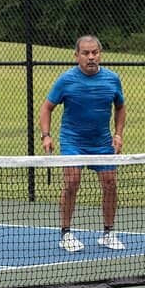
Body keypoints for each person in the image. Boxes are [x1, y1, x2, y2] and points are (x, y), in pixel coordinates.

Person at [40, 35, 127, 252]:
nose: (90, 57)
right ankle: (66, 233)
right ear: (76, 56)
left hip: (102, 141)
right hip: (73, 141)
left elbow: (120, 107)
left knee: (110, 184)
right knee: (71, 182)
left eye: (94, 53)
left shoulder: (112, 79)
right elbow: (46, 107)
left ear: (100, 54)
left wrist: (118, 135)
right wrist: (46, 135)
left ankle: (108, 233)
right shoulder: (66, 80)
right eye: (85, 53)